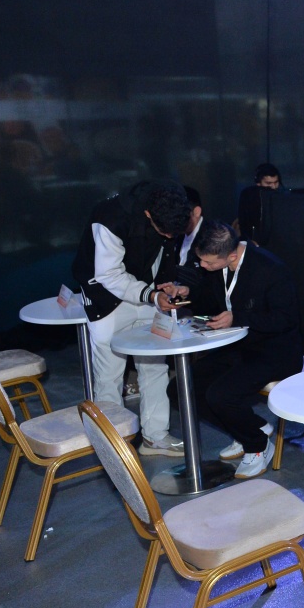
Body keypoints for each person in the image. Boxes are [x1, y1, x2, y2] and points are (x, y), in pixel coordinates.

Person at [71, 179, 192, 457]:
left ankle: (155, 436)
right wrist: (150, 295)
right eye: (165, 232)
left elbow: (165, 253)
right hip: (105, 296)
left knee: (155, 365)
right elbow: (109, 274)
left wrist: (166, 284)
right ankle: (114, 444)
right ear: (148, 214)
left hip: (146, 291)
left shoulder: (172, 207)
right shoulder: (109, 217)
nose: (170, 237)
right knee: (109, 373)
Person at [187, 221, 302, 480]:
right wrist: (186, 292)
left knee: (220, 395)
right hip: (239, 346)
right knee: (184, 386)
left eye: (208, 262)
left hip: (276, 352)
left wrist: (238, 318)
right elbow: (207, 298)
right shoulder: (219, 266)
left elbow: (285, 319)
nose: (202, 266)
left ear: (231, 256)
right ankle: (250, 429)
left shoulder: (271, 269)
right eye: (201, 260)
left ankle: (257, 445)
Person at [236, 162, 286, 244]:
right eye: (268, 183)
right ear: (258, 182)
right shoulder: (249, 196)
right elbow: (244, 222)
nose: (273, 187)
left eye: (276, 182)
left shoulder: (282, 196)